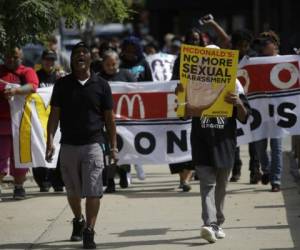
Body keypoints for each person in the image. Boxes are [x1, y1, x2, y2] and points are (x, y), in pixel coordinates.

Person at [46, 42, 117, 249]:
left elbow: (109, 119)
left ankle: (89, 231)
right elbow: (54, 115)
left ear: (89, 59)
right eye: (76, 53)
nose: (80, 56)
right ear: (72, 60)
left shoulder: (102, 85)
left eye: (84, 53)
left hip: (94, 144)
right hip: (68, 145)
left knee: (94, 190)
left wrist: (113, 146)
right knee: (73, 192)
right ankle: (78, 219)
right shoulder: (62, 84)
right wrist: (50, 141)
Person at [176, 69, 251, 243]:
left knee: (221, 186)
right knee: (207, 185)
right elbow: (181, 114)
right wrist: (181, 96)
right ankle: (209, 224)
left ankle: (217, 223)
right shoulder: (191, 85)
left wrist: (238, 103)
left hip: (224, 143)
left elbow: (245, 117)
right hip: (201, 143)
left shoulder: (234, 84)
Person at [0, 47, 39, 200]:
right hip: (2, 124)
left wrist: (16, 91)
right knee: (1, 158)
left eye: (14, 56)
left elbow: (33, 86)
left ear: (20, 57)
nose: (10, 59)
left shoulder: (26, 71)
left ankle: (19, 187)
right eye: (8, 56)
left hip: (21, 123)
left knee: (19, 158)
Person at [98, 50, 137, 193]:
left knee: (125, 148)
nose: (111, 67)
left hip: (126, 122)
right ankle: (110, 181)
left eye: (113, 64)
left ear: (118, 63)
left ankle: (123, 173)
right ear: (103, 64)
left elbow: (139, 92)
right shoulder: (98, 78)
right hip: (107, 121)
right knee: (109, 152)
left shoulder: (127, 75)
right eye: (108, 64)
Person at [253, 31, 283, 192]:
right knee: (260, 146)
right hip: (260, 110)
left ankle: (276, 180)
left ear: (275, 44)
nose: (263, 47)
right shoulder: (256, 61)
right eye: (261, 44)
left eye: (266, 43)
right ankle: (267, 170)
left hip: (279, 111)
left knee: (277, 146)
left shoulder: (285, 61)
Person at [229, 30, 261, 183]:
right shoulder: (228, 59)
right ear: (234, 45)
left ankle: (255, 169)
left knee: (253, 139)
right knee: (235, 137)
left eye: (246, 46)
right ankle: (236, 169)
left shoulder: (254, 58)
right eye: (240, 46)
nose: (243, 49)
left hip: (253, 103)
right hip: (235, 102)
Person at [32, 49, 65, 192]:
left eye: (52, 60)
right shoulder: (35, 76)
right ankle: (43, 180)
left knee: (58, 149)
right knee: (39, 148)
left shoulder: (60, 77)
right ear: (42, 60)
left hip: (56, 119)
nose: (49, 62)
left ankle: (58, 180)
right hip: (39, 119)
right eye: (47, 59)